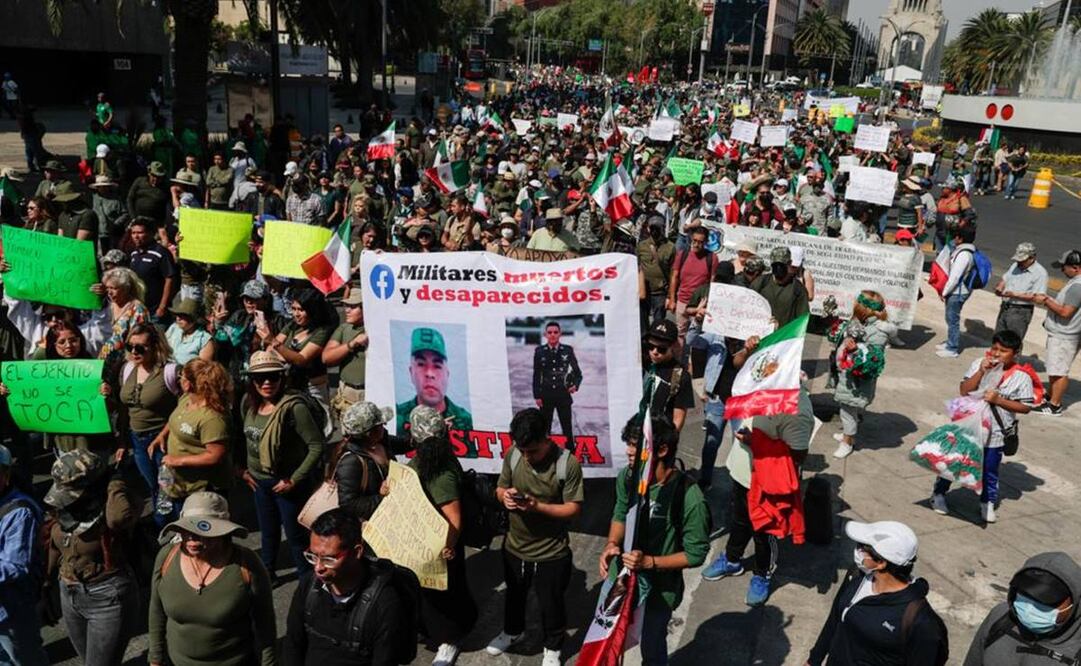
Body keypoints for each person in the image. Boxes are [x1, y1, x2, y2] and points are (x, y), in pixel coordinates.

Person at [599, 417, 709, 665]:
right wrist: (611, 544)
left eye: (636, 445)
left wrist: (649, 562)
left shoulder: (690, 497)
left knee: (652, 648)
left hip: (659, 593)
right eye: (628, 444)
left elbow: (695, 554)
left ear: (662, 450)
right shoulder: (628, 477)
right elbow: (620, 511)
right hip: (620, 581)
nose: (628, 451)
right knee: (607, 643)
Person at [702, 380, 814, 607]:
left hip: (769, 484)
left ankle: (762, 574)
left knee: (765, 531)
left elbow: (798, 454)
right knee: (740, 520)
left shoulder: (798, 407)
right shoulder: (757, 386)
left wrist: (756, 442)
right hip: (742, 472)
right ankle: (732, 559)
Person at [488, 408, 584, 666]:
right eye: (523, 451)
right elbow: (499, 488)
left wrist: (537, 507)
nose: (527, 457)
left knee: (551, 604)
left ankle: (552, 647)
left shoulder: (567, 464)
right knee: (514, 595)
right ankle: (512, 631)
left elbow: (573, 509)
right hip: (514, 547)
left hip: (551, 553)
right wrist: (504, 496)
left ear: (547, 438)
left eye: (533, 451)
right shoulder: (514, 454)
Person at [149, 491, 277, 666]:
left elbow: (266, 626)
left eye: (201, 529)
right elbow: (156, 611)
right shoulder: (166, 557)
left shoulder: (246, 565)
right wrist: (155, 660)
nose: (192, 537)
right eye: (186, 529)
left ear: (221, 531)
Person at [45, 449, 140, 666]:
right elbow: (55, 544)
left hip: (107, 597)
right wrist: (46, 582)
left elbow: (118, 519)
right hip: (69, 593)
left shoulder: (114, 505)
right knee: (89, 659)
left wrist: (114, 481)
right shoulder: (66, 507)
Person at [807, 520, 948, 665]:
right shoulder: (856, 575)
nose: (857, 551)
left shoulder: (920, 622)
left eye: (862, 548)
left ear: (881, 563)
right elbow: (835, 619)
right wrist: (814, 659)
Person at [931, 330, 1036, 524]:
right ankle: (938, 494)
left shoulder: (1022, 377)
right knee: (954, 461)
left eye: (1003, 350)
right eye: (994, 348)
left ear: (1015, 353)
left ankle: (987, 501)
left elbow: (1025, 407)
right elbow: (964, 390)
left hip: (995, 433)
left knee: (989, 469)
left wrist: (999, 400)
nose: (996, 354)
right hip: (969, 426)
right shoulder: (979, 363)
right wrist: (981, 371)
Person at [282, 508, 405, 666]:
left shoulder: (384, 603)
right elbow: (293, 643)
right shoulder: (310, 586)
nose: (318, 567)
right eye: (313, 556)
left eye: (329, 559)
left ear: (357, 552)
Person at [241, 351, 325, 578]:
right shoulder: (248, 404)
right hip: (259, 482)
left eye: (273, 376)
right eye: (260, 378)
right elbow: (244, 439)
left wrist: (294, 480)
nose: (267, 383)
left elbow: (316, 446)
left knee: (296, 536)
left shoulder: (294, 408)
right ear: (252, 381)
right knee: (268, 533)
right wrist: (244, 471)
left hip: (286, 484)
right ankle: (267, 574)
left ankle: (308, 581)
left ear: (282, 377)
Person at [404, 406, 477, 666]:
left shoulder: (440, 474)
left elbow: (453, 519)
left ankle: (450, 641)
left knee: (445, 596)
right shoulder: (429, 460)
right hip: (427, 543)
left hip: (442, 548)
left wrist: (447, 547)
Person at [963, 552, 1081, 665]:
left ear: (1074, 602)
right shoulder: (1000, 617)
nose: (1030, 609)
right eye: (1026, 595)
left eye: (1048, 602)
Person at [118, 323, 179, 521]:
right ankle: (162, 531)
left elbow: (186, 407)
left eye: (141, 347)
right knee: (153, 486)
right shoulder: (127, 369)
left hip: (164, 440)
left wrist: (164, 434)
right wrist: (123, 441)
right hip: (138, 441)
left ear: (155, 347)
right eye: (130, 347)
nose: (134, 352)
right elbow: (124, 408)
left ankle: (175, 529)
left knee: (169, 488)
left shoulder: (170, 372)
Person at [160, 360, 233, 519]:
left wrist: (177, 461)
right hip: (182, 483)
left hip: (202, 489)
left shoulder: (211, 418)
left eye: (181, 376)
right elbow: (177, 418)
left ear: (188, 384)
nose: (179, 379)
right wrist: (162, 435)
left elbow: (215, 455)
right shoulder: (187, 399)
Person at [0, 443, 49, 666]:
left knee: (24, 660)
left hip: (12, 610)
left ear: (6, 474)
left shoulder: (20, 512)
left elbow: (15, 565)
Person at [831, 291, 894, 459]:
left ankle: (847, 442)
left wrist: (855, 350)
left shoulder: (878, 331)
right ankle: (847, 432)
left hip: (857, 380)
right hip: (847, 374)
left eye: (858, 304)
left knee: (848, 409)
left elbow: (874, 358)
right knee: (847, 409)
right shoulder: (861, 322)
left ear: (865, 309)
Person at [332, 401, 411, 520]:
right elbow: (348, 504)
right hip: (373, 522)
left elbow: (404, 444)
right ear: (369, 433)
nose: (384, 426)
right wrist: (381, 497)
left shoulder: (381, 441)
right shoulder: (351, 462)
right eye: (380, 424)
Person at [394, 326, 473, 433]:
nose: (429, 373)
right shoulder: (396, 418)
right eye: (421, 364)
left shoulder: (467, 422)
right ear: (411, 372)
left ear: (447, 374)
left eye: (437, 366)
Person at [1031, 249, 1081, 417]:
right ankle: (1051, 396)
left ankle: (1055, 405)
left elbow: (1066, 312)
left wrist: (1046, 300)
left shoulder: (1077, 287)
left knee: (1059, 371)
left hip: (1064, 336)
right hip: (1063, 334)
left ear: (1075, 268)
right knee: (1054, 368)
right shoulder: (1075, 282)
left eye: (1064, 267)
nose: (1062, 270)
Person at [269, 288, 335, 408]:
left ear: (312, 310)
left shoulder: (322, 331)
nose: (296, 314)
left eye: (301, 310)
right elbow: (270, 350)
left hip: (313, 388)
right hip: (290, 384)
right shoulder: (293, 325)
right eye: (293, 309)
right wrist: (285, 353)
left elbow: (302, 359)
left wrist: (276, 345)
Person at [533, 320, 582, 443]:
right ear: (545, 335)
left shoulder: (567, 350)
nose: (553, 335)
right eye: (550, 332)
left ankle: (571, 454)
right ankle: (545, 455)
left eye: (555, 332)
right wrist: (537, 395)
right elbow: (536, 375)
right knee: (545, 429)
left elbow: (578, 373)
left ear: (560, 334)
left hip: (563, 395)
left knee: (567, 429)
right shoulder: (539, 351)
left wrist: (575, 386)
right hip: (546, 396)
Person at [642, 319, 695, 432]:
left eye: (661, 349)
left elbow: (678, 419)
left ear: (673, 346)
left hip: (657, 437)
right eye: (650, 346)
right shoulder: (641, 363)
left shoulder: (680, 376)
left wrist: (668, 443)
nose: (654, 352)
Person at [323, 291, 368, 422]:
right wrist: (352, 344)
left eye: (353, 307)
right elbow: (326, 357)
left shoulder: (378, 329)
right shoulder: (344, 329)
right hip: (348, 393)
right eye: (346, 306)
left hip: (370, 393)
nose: (347, 310)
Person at [936, 225, 979, 359]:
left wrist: (944, 292)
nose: (953, 238)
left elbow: (955, 277)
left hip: (957, 292)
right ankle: (949, 342)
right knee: (950, 318)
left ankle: (952, 348)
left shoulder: (964, 255)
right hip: (956, 291)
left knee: (952, 319)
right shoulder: (964, 251)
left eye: (956, 236)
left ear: (960, 238)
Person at [667, 226, 715, 341]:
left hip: (699, 305)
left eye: (701, 242)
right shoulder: (683, 254)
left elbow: (712, 282)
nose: (697, 244)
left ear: (706, 242)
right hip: (682, 302)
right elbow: (674, 277)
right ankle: (680, 358)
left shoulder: (712, 258)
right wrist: (672, 299)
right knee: (680, 335)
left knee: (696, 337)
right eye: (695, 241)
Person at [993, 242, 1048, 341]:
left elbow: (1038, 297)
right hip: (1006, 306)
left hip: (1020, 311)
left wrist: (1014, 295)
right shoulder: (1015, 265)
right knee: (998, 338)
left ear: (1032, 258)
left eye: (1022, 261)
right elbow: (1006, 278)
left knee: (1013, 341)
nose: (1019, 263)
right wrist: (1000, 287)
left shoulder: (1040, 273)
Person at [96, 266, 150, 363]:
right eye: (107, 288)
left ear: (125, 288)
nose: (109, 292)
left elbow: (139, 340)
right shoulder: (108, 305)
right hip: (105, 359)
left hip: (124, 361)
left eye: (114, 288)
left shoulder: (137, 309)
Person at [128, 217, 177, 325]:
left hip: (155, 311)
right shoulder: (134, 254)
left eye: (140, 233)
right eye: (133, 233)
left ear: (150, 233)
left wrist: (162, 307)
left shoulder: (161, 253)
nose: (136, 236)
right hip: (138, 310)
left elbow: (170, 279)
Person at [752, 245, 810, 328]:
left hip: (784, 337)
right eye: (775, 265)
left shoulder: (798, 289)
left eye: (782, 265)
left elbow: (802, 320)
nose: (778, 268)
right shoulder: (761, 283)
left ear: (789, 263)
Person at [636, 215, 676, 330]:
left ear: (663, 229)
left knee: (658, 324)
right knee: (642, 324)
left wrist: (670, 296)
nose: (654, 231)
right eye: (652, 228)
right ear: (648, 229)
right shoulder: (641, 246)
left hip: (660, 292)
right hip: (644, 291)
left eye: (657, 229)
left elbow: (673, 273)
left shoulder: (670, 247)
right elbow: (637, 267)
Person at [165, 299, 215, 366]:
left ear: (194, 319)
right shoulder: (174, 328)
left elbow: (202, 369)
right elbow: (161, 346)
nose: (178, 318)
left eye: (182, 316)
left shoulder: (204, 340)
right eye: (177, 315)